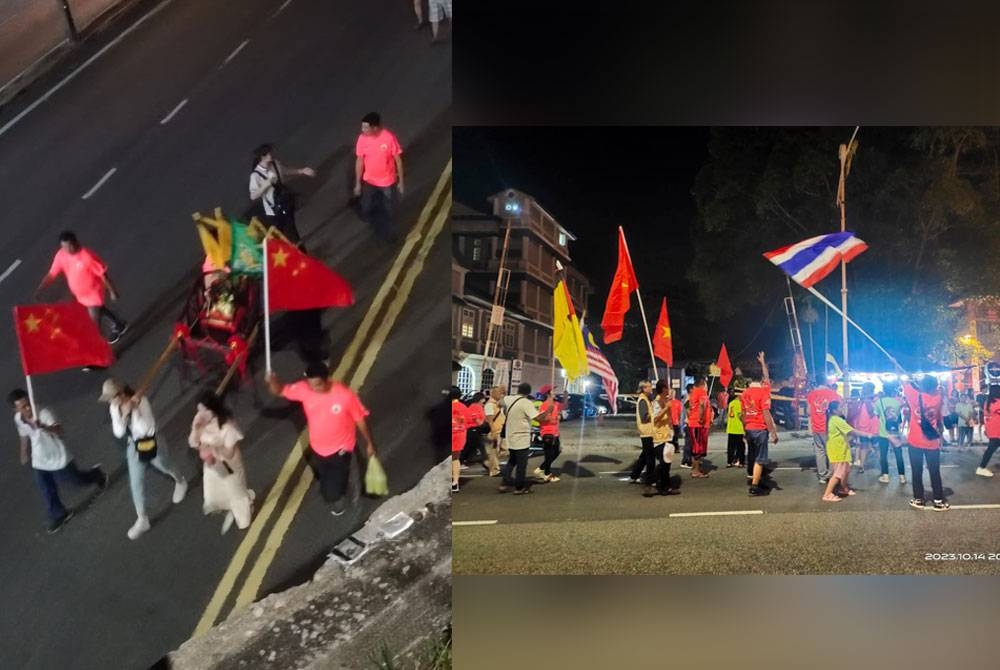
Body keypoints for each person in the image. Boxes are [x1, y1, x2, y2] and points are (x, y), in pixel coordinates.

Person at [267, 363, 377, 514]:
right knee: (327, 475)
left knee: (337, 485)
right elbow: (279, 391)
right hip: (318, 448)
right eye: (311, 385)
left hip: (341, 448)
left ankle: (346, 498)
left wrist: (369, 442)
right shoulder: (304, 389)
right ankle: (338, 489)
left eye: (317, 385)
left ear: (327, 380)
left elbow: (360, 420)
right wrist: (273, 380)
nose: (314, 389)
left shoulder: (344, 395)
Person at [10, 389, 107, 534]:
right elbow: (23, 434)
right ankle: (60, 514)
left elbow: (60, 431)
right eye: (23, 407)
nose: (28, 408)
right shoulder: (18, 418)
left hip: (58, 458)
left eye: (28, 403)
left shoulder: (43, 413)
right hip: (40, 460)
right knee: (46, 489)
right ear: (16, 409)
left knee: (76, 481)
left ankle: (97, 475)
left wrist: (43, 426)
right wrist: (23, 452)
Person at [100, 379, 188, 540]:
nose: (110, 402)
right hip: (133, 445)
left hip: (151, 441)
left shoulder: (142, 402)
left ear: (120, 395)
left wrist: (135, 412)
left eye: (111, 398)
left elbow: (148, 428)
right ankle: (142, 518)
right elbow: (118, 432)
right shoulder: (114, 408)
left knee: (165, 465)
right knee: (135, 481)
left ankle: (180, 481)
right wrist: (124, 415)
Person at [36, 231, 128, 343]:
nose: (67, 250)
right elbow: (52, 273)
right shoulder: (61, 255)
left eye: (69, 246)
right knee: (101, 310)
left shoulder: (87, 256)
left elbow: (103, 274)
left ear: (76, 242)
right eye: (64, 247)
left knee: (93, 327)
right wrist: (42, 287)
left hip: (94, 293)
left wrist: (112, 291)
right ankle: (119, 324)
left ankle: (104, 353)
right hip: (80, 295)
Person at [188, 392, 254, 534]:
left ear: (213, 409)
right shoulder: (200, 422)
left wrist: (213, 448)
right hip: (212, 466)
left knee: (237, 494)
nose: (201, 414)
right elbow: (193, 443)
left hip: (229, 465)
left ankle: (245, 506)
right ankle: (238, 503)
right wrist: (195, 429)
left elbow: (230, 453)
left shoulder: (227, 427)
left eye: (204, 410)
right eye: (199, 410)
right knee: (214, 493)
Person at [249, 143, 316, 244]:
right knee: (285, 234)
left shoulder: (275, 164)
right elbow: (253, 195)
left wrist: (301, 171)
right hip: (273, 211)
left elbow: (285, 171)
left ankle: (299, 250)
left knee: (291, 232)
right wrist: (266, 184)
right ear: (262, 157)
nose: (270, 155)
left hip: (285, 203)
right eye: (267, 154)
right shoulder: (256, 175)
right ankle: (296, 250)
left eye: (270, 153)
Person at [353, 112, 404, 240]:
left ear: (375, 128)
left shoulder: (389, 138)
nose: (362, 130)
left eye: (365, 127)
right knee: (366, 207)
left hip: (387, 181)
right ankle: (371, 217)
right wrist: (358, 183)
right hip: (369, 181)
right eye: (362, 127)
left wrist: (401, 182)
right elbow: (360, 161)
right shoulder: (362, 139)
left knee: (390, 209)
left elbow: (398, 160)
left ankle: (390, 233)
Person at [902, 375, 950, 510]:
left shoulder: (914, 396)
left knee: (916, 471)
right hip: (932, 441)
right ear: (935, 386)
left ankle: (919, 499)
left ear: (922, 385)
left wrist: (895, 364)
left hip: (915, 441)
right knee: (934, 471)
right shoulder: (938, 398)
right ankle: (939, 500)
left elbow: (904, 381)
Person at [498, 383, 552, 494]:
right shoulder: (526, 403)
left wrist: (503, 393)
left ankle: (505, 482)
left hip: (510, 434)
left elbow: (500, 402)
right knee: (521, 464)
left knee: (512, 461)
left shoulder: (509, 399)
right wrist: (548, 411)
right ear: (528, 392)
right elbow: (538, 418)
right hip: (521, 436)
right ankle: (519, 487)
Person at [822, 400, 878, 502]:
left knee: (846, 470)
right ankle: (827, 494)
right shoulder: (836, 420)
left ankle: (843, 489)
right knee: (838, 473)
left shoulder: (836, 419)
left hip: (842, 449)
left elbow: (845, 435)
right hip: (837, 450)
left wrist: (853, 442)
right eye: (840, 407)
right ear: (835, 410)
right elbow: (852, 431)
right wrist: (867, 434)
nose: (843, 409)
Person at [743, 352, 778, 497]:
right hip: (759, 428)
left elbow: (743, 414)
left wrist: (744, 430)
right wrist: (773, 432)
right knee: (760, 458)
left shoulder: (745, 393)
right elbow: (766, 414)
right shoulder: (763, 392)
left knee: (753, 456)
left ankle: (756, 478)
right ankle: (755, 486)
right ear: (762, 379)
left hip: (749, 428)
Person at [646, 380, 679, 497]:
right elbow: (654, 419)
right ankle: (652, 483)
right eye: (667, 387)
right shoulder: (657, 402)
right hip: (660, 438)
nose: (669, 389)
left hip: (667, 436)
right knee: (664, 464)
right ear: (664, 388)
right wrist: (666, 408)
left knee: (666, 464)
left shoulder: (666, 400)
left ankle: (663, 485)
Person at [807, 378, 840, 484]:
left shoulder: (811, 394)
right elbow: (839, 410)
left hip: (816, 426)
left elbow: (808, 411)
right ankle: (831, 474)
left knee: (819, 451)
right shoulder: (833, 394)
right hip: (830, 427)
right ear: (826, 382)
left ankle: (822, 476)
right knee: (831, 451)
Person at [874, 382, 906, 484]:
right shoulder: (897, 402)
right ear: (893, 391)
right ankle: (902, 477)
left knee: (884, 454)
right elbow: (898, 417)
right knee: (898, 454)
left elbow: (876, 415)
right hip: (894, 431)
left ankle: (885, 475)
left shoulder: (878, 402)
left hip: (883, 432)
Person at [629, 381, 656, 485]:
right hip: (647, 431)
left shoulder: (646, 399)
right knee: (650, 457)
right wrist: (655, 415)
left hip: (648, 431)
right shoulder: (643, 400)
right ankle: (650, 479)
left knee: (644, 456)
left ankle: (634, 475)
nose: (651, 388)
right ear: (644, 388)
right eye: (649, 387)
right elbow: (644, 417)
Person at [534, 390, 562, 483]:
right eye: (553, 392)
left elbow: (563, 407)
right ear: (548, 394)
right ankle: (547, 474)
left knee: (557, 451)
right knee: (549, 453)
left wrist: (558, 416)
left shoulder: (555, 404)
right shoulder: (545, 405)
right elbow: (542, 419)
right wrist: (553, 417)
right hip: (547, 432)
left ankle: (541, 469)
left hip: (555, 432)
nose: (555, 393)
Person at [687, 377, 711, 478]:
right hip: (698, 424)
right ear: (703, 384)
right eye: (705, 384)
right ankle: (696, 471)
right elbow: (702, 405)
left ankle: (695, 469)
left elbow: (687, 408)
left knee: (695, 447)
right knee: (697, 448)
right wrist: (701, 418)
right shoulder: (701, 392)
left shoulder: (692, 393)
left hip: (693, 423)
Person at [855, 382, 880, 473]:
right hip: (865, 426)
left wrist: (867, 400)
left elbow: (871, 412)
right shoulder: (868, 399)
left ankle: (881, 464)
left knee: (873, 446)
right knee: (867, 446)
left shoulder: (873, 399)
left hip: (871, 426)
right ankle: (862, 466)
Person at [449, 387, 471, 492]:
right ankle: (455, 482)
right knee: (455, 459)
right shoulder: (463, 407)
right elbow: (468, 421)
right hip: (460, 435)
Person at [976, 383, 1000, 477]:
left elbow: (986, 416)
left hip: (992, 429)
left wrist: (986, 429)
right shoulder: (998, 402)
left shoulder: (988, 402)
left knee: (991, 448)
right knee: (991, 449)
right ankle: (981, 468)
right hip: (997, 429)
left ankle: (981, 467)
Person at [483, 385, 506, 477]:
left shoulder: (498, 404)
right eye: (499, 393)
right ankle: (494, 469)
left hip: (501, 429)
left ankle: (489, 462)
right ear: (493, 393)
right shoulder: (489, 405)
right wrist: (493, 431)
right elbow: (489, 419)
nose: (501, 395)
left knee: (503, 450)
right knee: (496, 450)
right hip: (496, 430)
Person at [462, 392, 488, 467]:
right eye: (483, 399)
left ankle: (465, 460)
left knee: (470, 447)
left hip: (473, 430)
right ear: (480, 399)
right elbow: (475, 418)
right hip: (473, 429)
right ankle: (486, 462)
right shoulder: (475, 407)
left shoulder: (475, 406)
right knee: (479, 446)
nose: (484, 401)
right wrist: (482, 424)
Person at [726, 391, 746, 468]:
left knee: (731, 447)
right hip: (739, 429)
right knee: (740, 447)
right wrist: (745, 426)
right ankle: (741, 462)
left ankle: (729, 462)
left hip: (731, 428)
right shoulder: (740, 403)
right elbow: (740, 416)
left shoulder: (731, 403)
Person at [679, 383, 695, 468]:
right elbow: (688, 411)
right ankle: (685, 461)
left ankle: (690, 460)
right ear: (691, 390)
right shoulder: (688, 398)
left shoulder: (691, 398)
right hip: (689, 424)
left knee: (691, 444)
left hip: (691, 424)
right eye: (694, 388)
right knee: (688, 444)